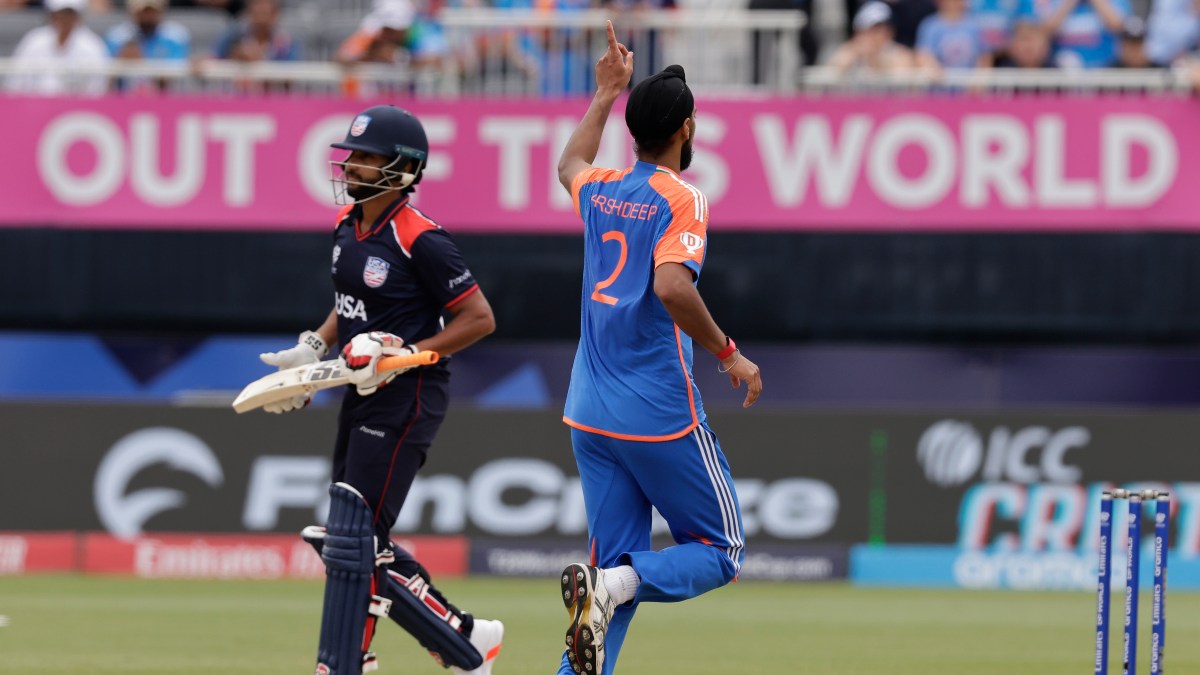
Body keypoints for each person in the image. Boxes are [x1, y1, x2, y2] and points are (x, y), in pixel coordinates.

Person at [257, 104, 502, 675]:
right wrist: (313, 348)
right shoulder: (348, 225)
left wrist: (405, 356)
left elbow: (478, 318)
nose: (353, 165)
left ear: (402, 167)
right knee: (355, 538)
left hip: (409, 394)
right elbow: (352, 310)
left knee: (353, 538)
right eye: (352, 155)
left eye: (366, 157)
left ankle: (347, 662)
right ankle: (466, 640)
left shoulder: (422, 238)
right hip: (359, 388)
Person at [553, 21, 762, 675]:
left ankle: (603, 597)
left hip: (590, 410)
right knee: (722, 549)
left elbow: (569, 165)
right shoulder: (684, 197)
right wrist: (729, 351)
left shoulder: (605, 189)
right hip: (659, 411)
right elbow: (672, 286)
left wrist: (603, 93)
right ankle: (611, 585)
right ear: (687, 129)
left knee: (610, 580)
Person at [5, 0, 111, 96]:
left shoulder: (92, 45)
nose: (65, 19)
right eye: (61, 14)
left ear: (78, 16)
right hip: (34, 106)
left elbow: (98, 89)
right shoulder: (34, 41)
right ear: (52, 15)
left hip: (75, 109)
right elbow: (15, 83)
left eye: (70, 14)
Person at [827, 1, 915, 77]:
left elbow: (903, 71)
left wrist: (874, 58)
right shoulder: (849, 51)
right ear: (859, 32)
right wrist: (855, 53)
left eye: (883, 28)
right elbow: (833, 72)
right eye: (873, 29)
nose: (880, 34)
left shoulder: (899, 54)